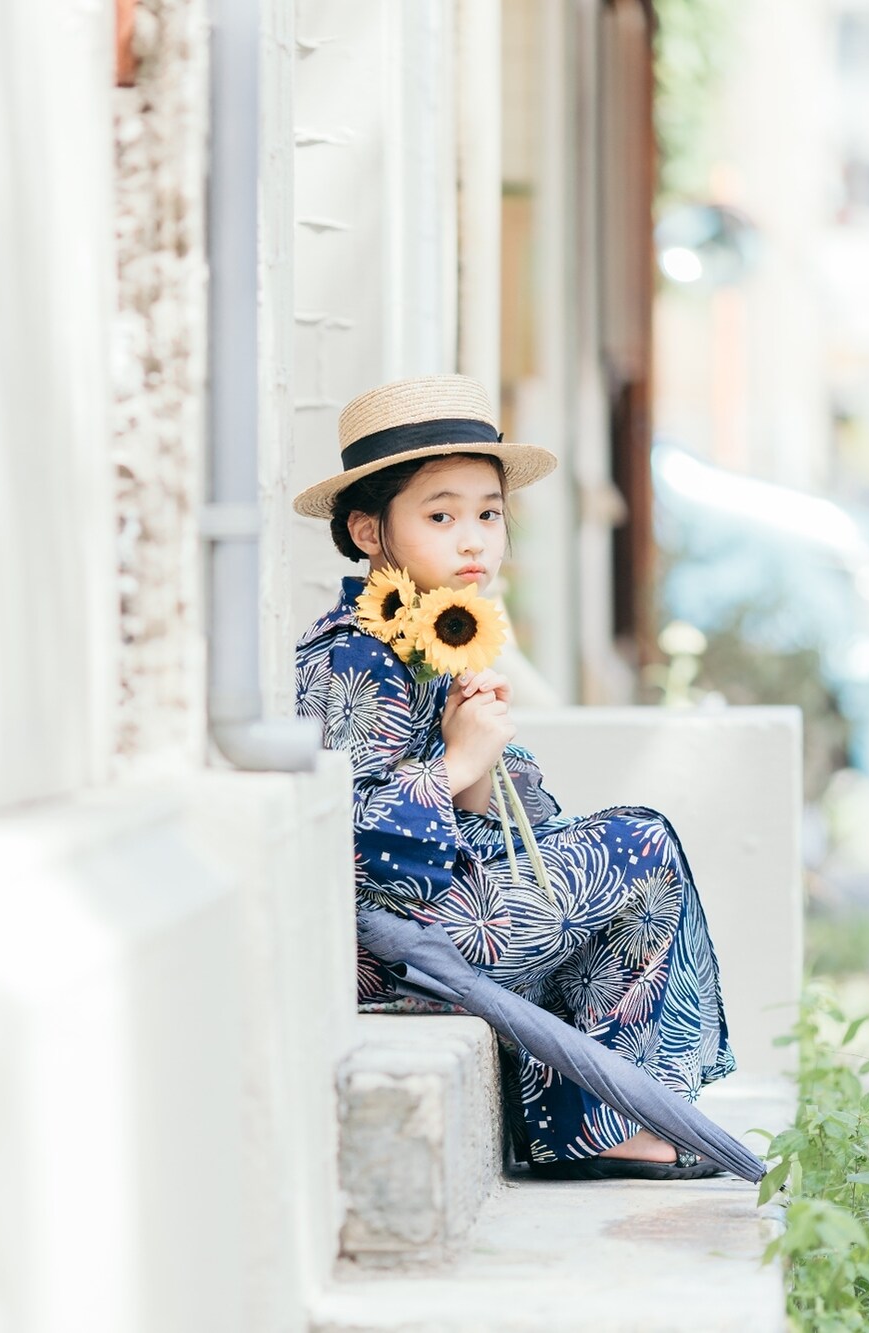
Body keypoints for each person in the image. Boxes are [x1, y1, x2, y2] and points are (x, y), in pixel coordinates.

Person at [293, 374, 737, 1181]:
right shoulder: (356, 652)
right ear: (368, 530)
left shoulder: (433, 638)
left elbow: (519, 820)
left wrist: (476, 763)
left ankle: (606, 1117)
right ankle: (604, 1124)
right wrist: (458, 762)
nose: (474, 540)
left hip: (437, 915)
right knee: (636, 845)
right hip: (381, 945)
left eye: (489, 514)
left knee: (628, 843)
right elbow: (340, 836)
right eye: (441, 516)